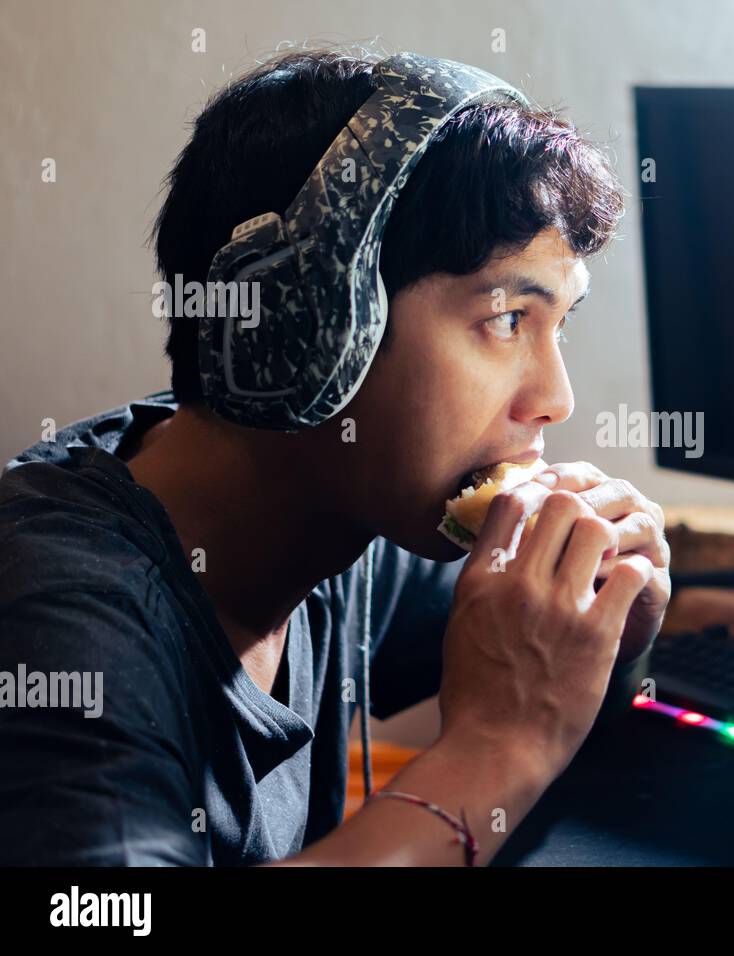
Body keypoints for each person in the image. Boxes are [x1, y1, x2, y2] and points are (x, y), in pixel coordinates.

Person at [0, 49, 671, 866]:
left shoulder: (351, 523)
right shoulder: (63, 622)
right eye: (505, 320)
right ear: (298, 331)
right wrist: (497, 748)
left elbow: (544, 682)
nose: (554, 398)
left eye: (556, 325)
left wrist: (615, 634)